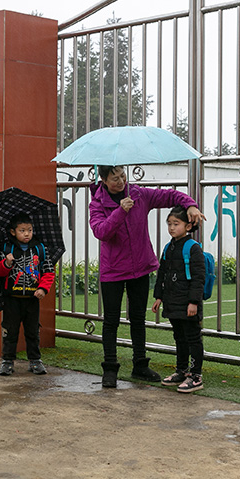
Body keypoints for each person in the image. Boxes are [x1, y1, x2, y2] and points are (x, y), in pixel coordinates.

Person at [89, 164, 204, 388]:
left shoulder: (139, 194)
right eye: (114, 178)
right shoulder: (97, 203)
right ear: (103, 180)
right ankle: (110, 369)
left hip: (140, 267)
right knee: (111, 321)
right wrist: (120, 211)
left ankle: (140, 364)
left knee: (138, 318)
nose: (121, 181)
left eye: (122, 175)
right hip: (112, 270)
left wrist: (190, 204)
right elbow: (101, 232)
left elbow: (170, 195)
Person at [0, 212, 55, 376]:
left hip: (32, 299)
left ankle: (35, 360)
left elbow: (48, 272)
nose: (27, 234)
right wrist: (6, 263)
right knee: (9, 331)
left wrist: (42, 288)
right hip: (11, 299)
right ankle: (7, 361)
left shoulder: (40, 248)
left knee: (33, 331)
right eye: (22, 230)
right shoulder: (6, 249)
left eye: (29, 230)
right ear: (13, 232)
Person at [152, 205, 206, 393]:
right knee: (179, 337)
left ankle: (196, 375)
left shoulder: (193, 249)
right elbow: (162, 274)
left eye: (176, 224)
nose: (171, 228)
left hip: (188, 303)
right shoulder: (169, 248)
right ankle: (182, 371)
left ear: (188, 226)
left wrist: (193, 302)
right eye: (169, 224)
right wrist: (158, 296)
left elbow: (199, 278)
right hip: (173, 301)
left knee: (193, 338)